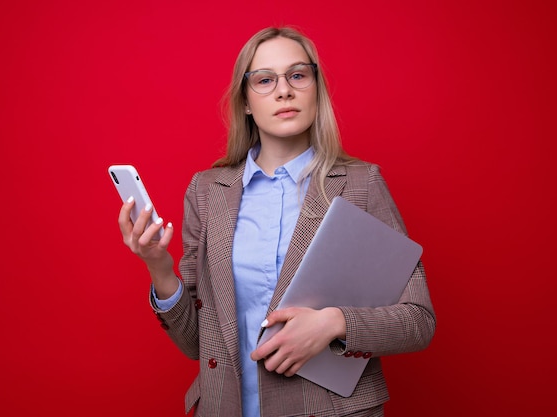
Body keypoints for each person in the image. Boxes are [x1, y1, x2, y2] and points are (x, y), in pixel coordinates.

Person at [118, 26, 436, 417]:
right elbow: (197, 344)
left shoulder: (360, 184)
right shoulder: (208, 191)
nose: (284, 90)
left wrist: (333, 324)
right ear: (246, 101)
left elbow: (418, 321)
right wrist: (159, 267)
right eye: (265, 80)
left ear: (315, 88)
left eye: (297, 75)